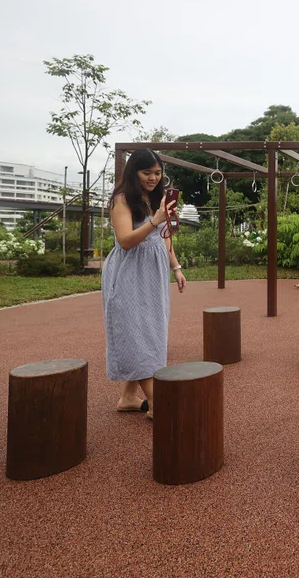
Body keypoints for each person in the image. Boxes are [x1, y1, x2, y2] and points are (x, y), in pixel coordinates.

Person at [102, 148, 187, 420]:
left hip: (153, 272)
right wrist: (155, 220)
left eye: (158, 173)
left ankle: (128, 397)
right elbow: (125, 240)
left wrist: (176, 267)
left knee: (150, 331)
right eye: (147, 172)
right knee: (134, 331)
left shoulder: (155, 199)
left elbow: (164, 238)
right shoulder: (122, 199)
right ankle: (156, 402)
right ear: (134, 172)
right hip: (128, 272)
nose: (153, 178)